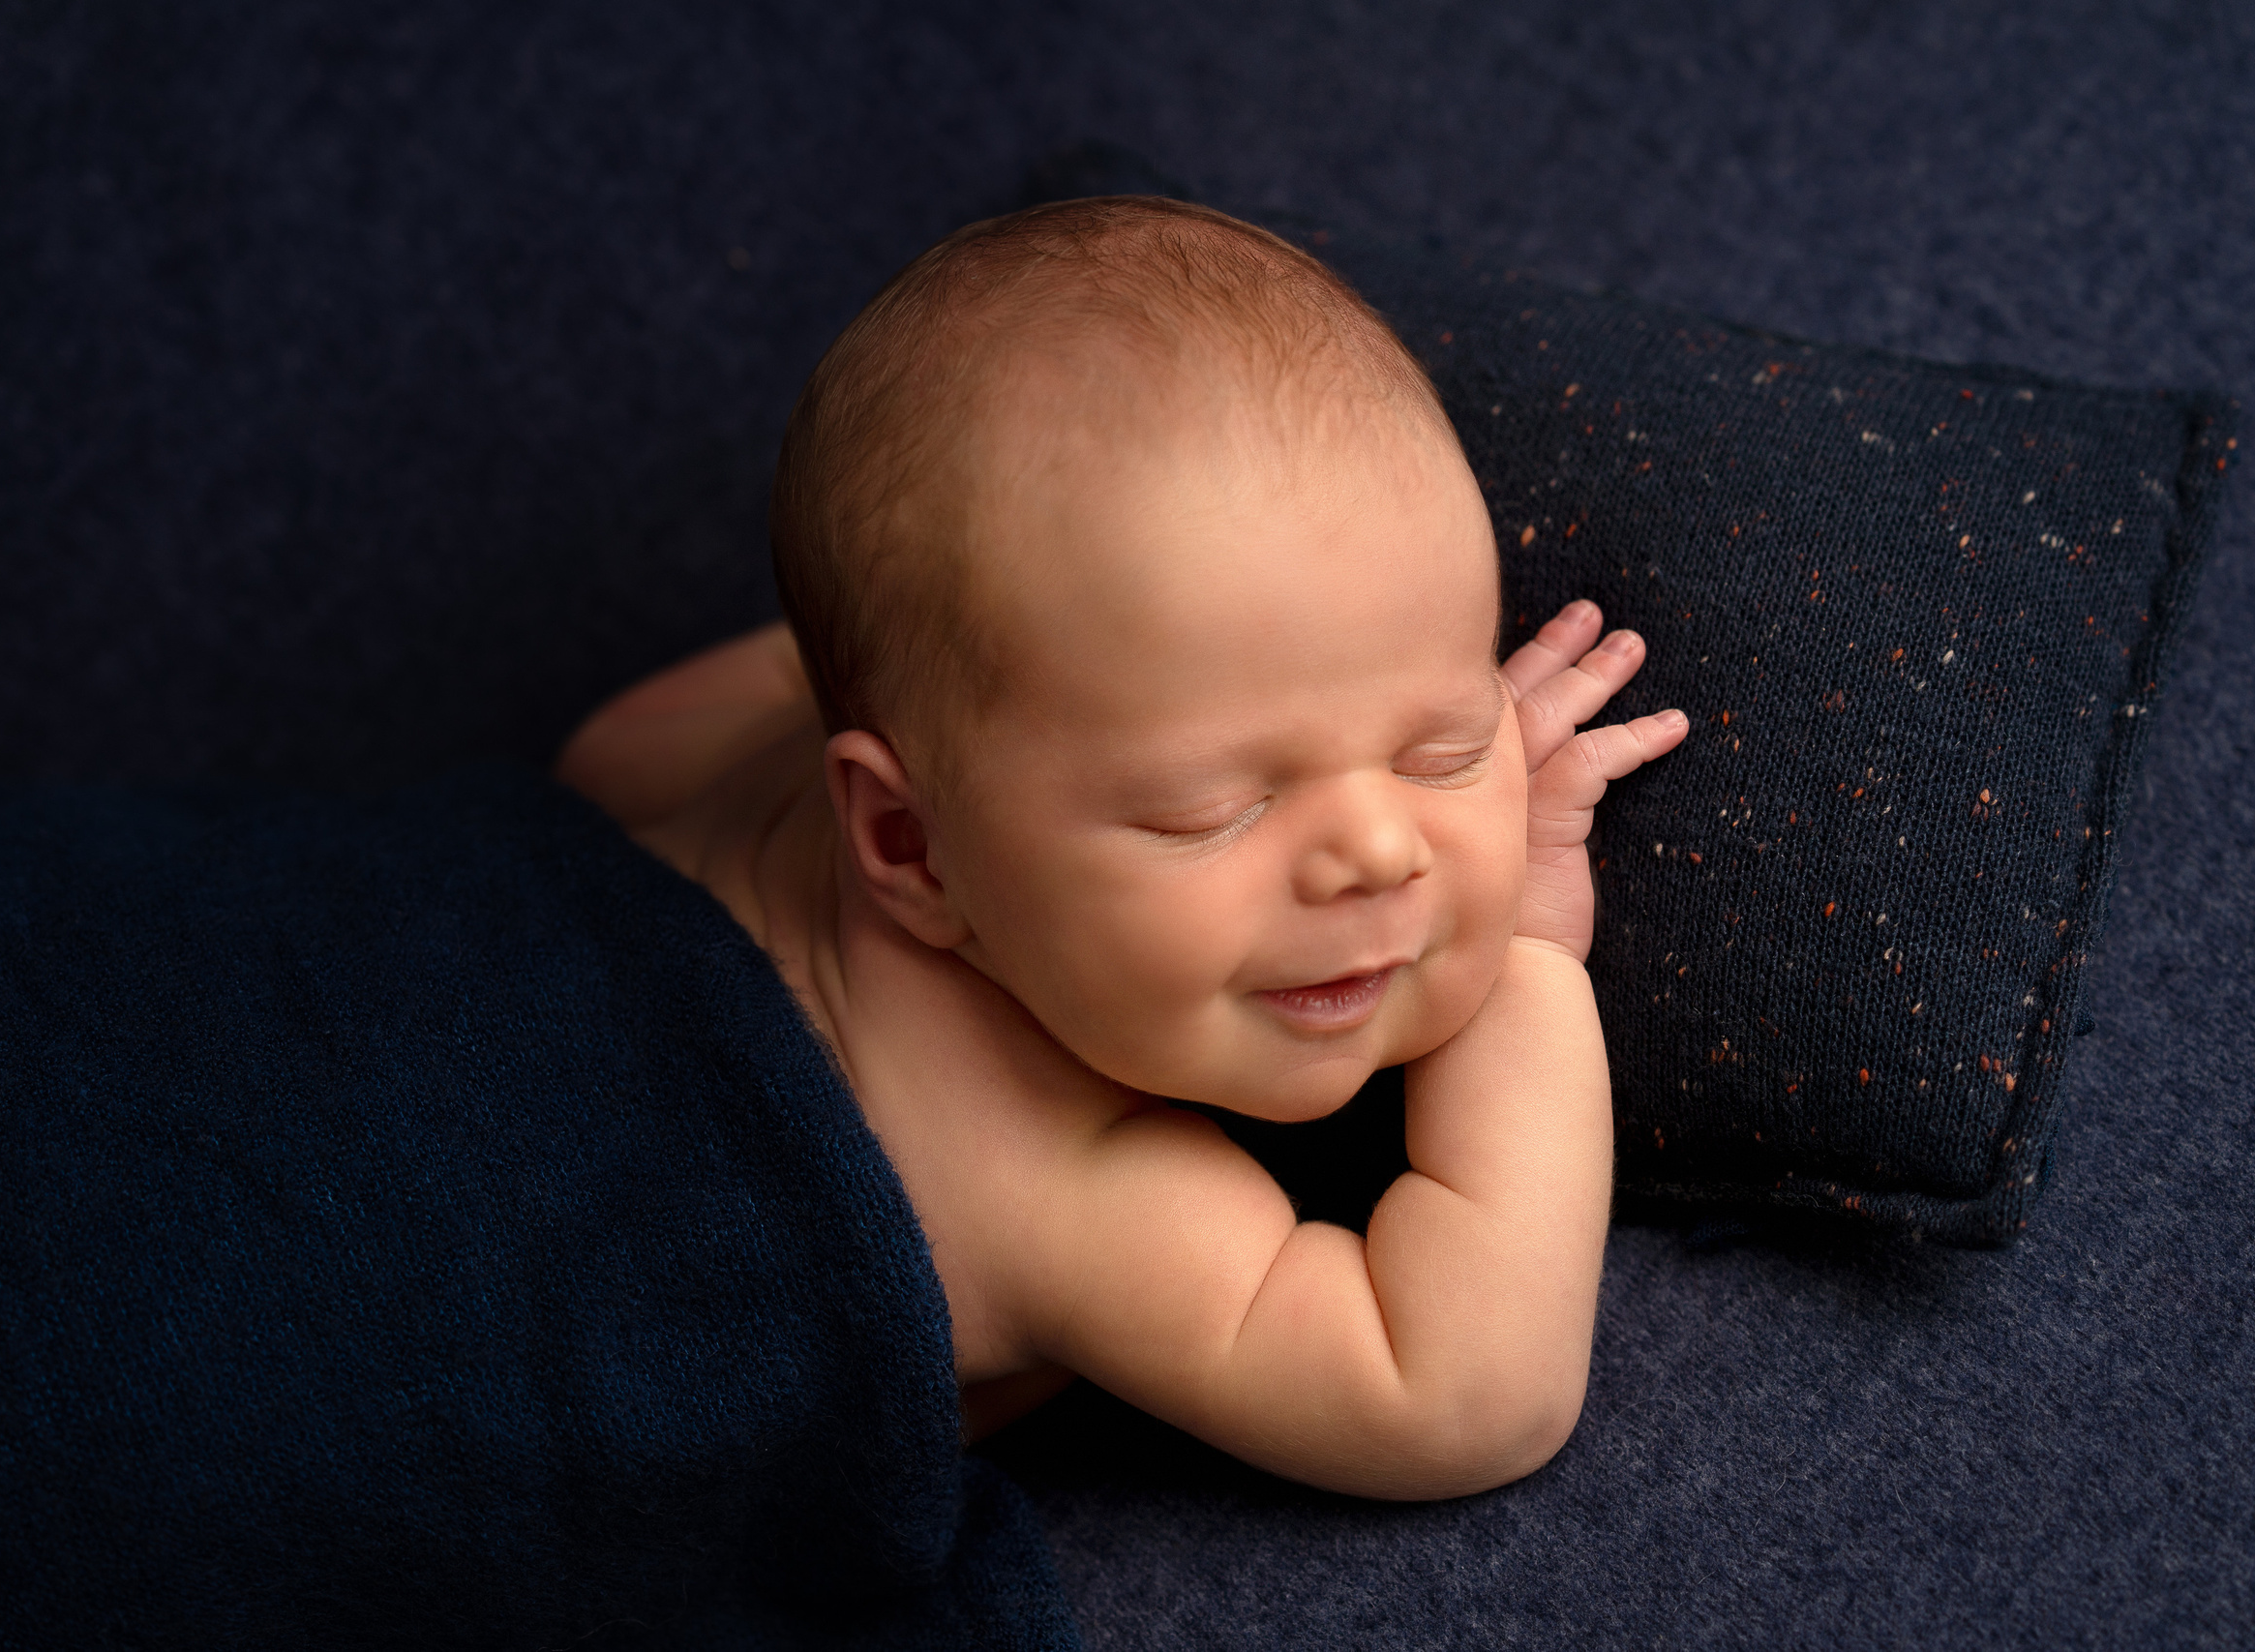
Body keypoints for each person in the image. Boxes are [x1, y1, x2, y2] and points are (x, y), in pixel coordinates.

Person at [556, 196, 1689, 1501]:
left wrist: (931, 674)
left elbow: (609, 749)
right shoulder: (1037, 1173)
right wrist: (1539, 961)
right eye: (1212, 810)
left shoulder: (763, 788)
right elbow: (1457, 1398)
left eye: (1442, 746)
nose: (1380, 848)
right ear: (909, 847)